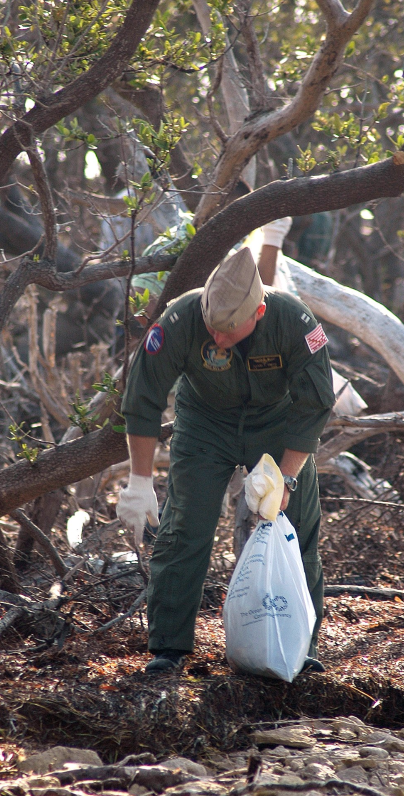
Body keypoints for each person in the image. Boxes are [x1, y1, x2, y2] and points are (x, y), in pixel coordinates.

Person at [117, 245, 335, 674]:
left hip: (277, 424)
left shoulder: (295, 320)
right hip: (204, 424)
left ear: (257, 312)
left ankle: (300, 643)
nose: (216, 338)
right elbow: (142, 399)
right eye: (211, 328)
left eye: (227, 331)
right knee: (185, 527)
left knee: (297, 527)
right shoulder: (181, 319)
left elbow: (315, 404)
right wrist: (139, 480)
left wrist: (286, 480)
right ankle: (169, 646)